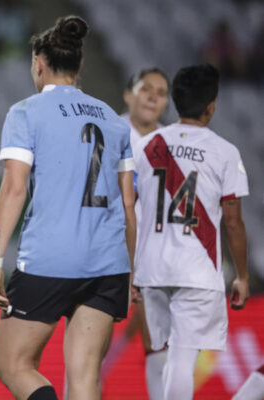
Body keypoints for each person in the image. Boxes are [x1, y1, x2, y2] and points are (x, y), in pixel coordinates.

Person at [0, 15, 137, 400]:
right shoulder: (116, 123)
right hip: (108, 263)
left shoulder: (27, 112)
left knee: (14, 366)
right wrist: (132, 270)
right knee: (84, 379)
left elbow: (14, 189)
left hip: (50, 259)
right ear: (80, 65)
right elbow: (129, 202)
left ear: (38, 63)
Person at [131, 64, 249, 400]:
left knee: (167, 357)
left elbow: (129, 209)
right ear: (211, 107)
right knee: (183, 359)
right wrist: (241, 274)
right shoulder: (225, 153)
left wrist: (132, 270)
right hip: (196, 270)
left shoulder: (147, 146)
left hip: (152, 269)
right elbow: (233, 222)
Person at [100, 67, 170, 400]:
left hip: (154, 259)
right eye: (146, 89)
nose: (153, 96)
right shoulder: (108, 131)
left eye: (161, 91)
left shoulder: (173, 143)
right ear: (128, 94)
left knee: (158, 346)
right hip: (107, 253)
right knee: (89, 344)